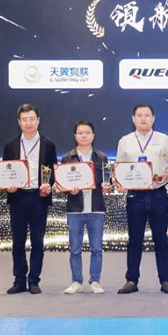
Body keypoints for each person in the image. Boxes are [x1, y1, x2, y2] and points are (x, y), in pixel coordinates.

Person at [115, 104, 168, 294]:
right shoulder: (125, 141)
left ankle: (166, 281)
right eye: (139, 115)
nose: (143, 119)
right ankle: (131, 280)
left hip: (158, 193)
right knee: (134, 239)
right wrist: (120, 182)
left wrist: (166, 174)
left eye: (147, 115)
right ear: (133, 118)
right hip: (135, 196)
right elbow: (119, 167)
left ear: (153, 118)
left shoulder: (163, 139)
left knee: (161, 239)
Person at [2, 104, 57, 295]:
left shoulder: (48, 144)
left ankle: (34, 280)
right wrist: (8, 186)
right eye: (24, 119)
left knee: (37, 243)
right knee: (18, 242)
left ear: (38, 120)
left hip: (39, 198)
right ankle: (19, 280)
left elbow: (53, 172)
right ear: (18, 122)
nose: (28, 123)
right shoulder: (10, 145)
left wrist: (49, 185)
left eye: (32, 119)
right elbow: (5, 172)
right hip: (18, 197)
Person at [59, 120, 111, 294]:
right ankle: (76, 281)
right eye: (80, 133)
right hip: (75, 209)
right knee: (75, 249)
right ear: (75, 136)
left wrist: (107, 187)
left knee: (97, 248)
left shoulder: (101, 157)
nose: (84, 136)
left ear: (93, 136)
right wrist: (70, 189)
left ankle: (95, 281)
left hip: (96, 208)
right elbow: (62, 183)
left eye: (87, 133)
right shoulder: (67, 158)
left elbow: (108, 180)